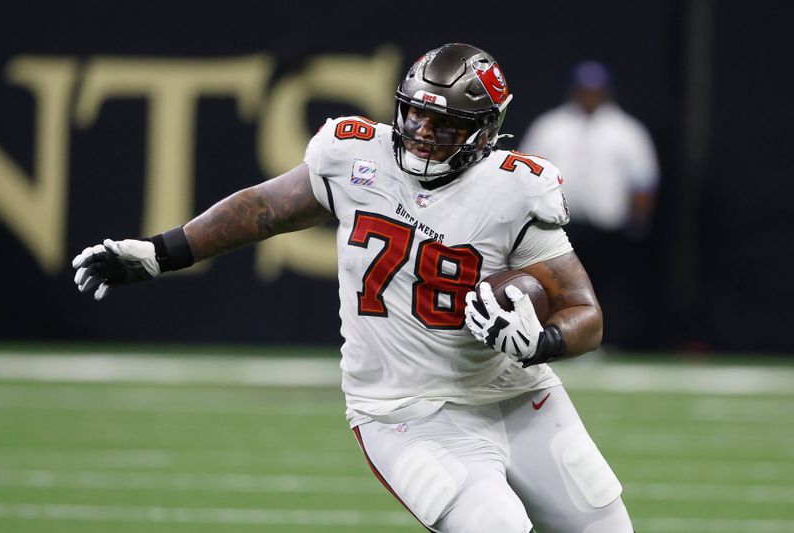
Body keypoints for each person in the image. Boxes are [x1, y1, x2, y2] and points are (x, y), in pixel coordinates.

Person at [73, 44, 634, 532]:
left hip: (519, 398)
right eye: (415, 116)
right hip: (402, 410)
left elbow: (584, 311)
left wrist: (544, 342)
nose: (422, 134)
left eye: (444, 125)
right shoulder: (352, 154)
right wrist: (160, 253)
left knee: (606, 525)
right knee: (497, 526)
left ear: (485, 132)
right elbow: (264, 209)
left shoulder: (515, 190)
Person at [519, 60, 660, 348]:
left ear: (606, 92)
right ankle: (554, 338)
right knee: (557, 286)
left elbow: (643, 179)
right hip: (557, 225)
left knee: (608, 286)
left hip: (607, 225)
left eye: (595, 90)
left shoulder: (626, 130)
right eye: (584, 89)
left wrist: (637, 221)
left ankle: (608, 341)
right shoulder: (550, 126)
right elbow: (522, 172)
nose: (589, 95)